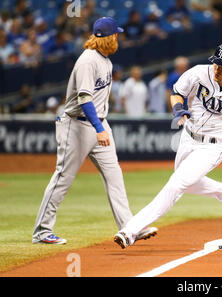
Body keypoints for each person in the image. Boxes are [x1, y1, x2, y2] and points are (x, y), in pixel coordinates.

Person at [113, 42, 222, 249]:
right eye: (215, 63)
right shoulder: (199, 73)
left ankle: (130, 230)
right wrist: (178, 108)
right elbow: (177, 92)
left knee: (176, 184)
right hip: (187, 138)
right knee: (188, 184)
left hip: (213, 146)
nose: (216, 68)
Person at [32, 17, 157, 245]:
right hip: (76, 124)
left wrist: (100, 125)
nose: (118, 38)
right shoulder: (88, 61)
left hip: (98, 123)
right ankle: (41, 231)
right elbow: (84, 99)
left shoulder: (105, 61)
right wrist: (99, 128)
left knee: (115, 176)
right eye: (116, 34)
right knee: (63, 178)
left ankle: (129, 229)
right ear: (108, 37)